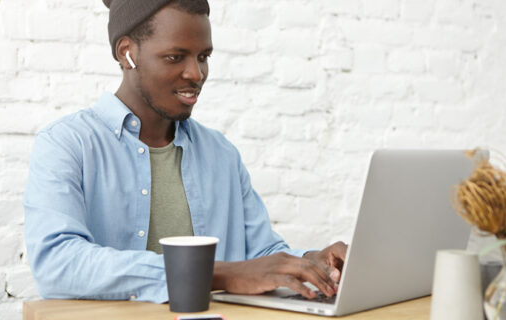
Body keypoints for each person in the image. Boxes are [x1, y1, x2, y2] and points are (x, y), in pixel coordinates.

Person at [24, 0, 347, 303]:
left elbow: (260, 253)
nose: (196, 74)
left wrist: (313, 264)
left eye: (203, 56)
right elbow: (57, 264)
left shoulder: (221, 154)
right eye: (175, 57)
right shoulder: (68, 144)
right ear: (127, 54)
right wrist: (216, 274)